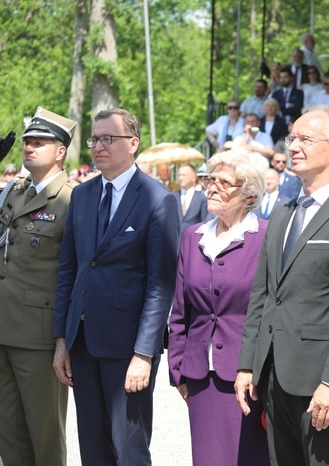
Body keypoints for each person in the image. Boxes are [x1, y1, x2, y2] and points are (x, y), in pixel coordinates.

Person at [235, 105, 329, 465]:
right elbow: (263, 294)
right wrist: (248, 365)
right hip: (273, 377)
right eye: (291, 138)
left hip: (321, 382)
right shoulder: (283, 214)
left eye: (305, 138)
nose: (293, 146)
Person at [53, 108, 180, 464]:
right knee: (92, 448)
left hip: (127, 349)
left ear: (133, 144)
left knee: (128, 449)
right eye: (95, 139)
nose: (98, 146)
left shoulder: (158, 199)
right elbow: (69, 271)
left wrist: (144, 353)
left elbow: (160, 285)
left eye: (109, 138)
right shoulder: (81, 195)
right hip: (82, 341)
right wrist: (62, 341)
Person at [169, 149, 270, 466]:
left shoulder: (267, 236)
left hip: (248, 377)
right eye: (210, 179)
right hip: (200, 377)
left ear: (249, 194)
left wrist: (256, 366)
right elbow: (179, 311)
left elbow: (271, 310)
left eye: (224, 182)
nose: (213, 186)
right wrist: (178, 370)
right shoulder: (192, 236)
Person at [0, 108, 77, 466]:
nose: (29, 148)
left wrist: (64, 339)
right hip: (4, 328)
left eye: (39, 142)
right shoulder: (13, 192)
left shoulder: (73, 198)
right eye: (27, 142)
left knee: (44, 437)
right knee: (9, 435)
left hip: (39, 336)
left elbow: (75, 274)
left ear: (60, 151)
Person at [175, 164, 209, 237]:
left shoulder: (201, 198)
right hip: (174, 243)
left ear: (193, 178)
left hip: (192, 241)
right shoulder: (173, 197)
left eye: (184, 175)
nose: (180, 178)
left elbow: (204, 223)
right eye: (179, 175)